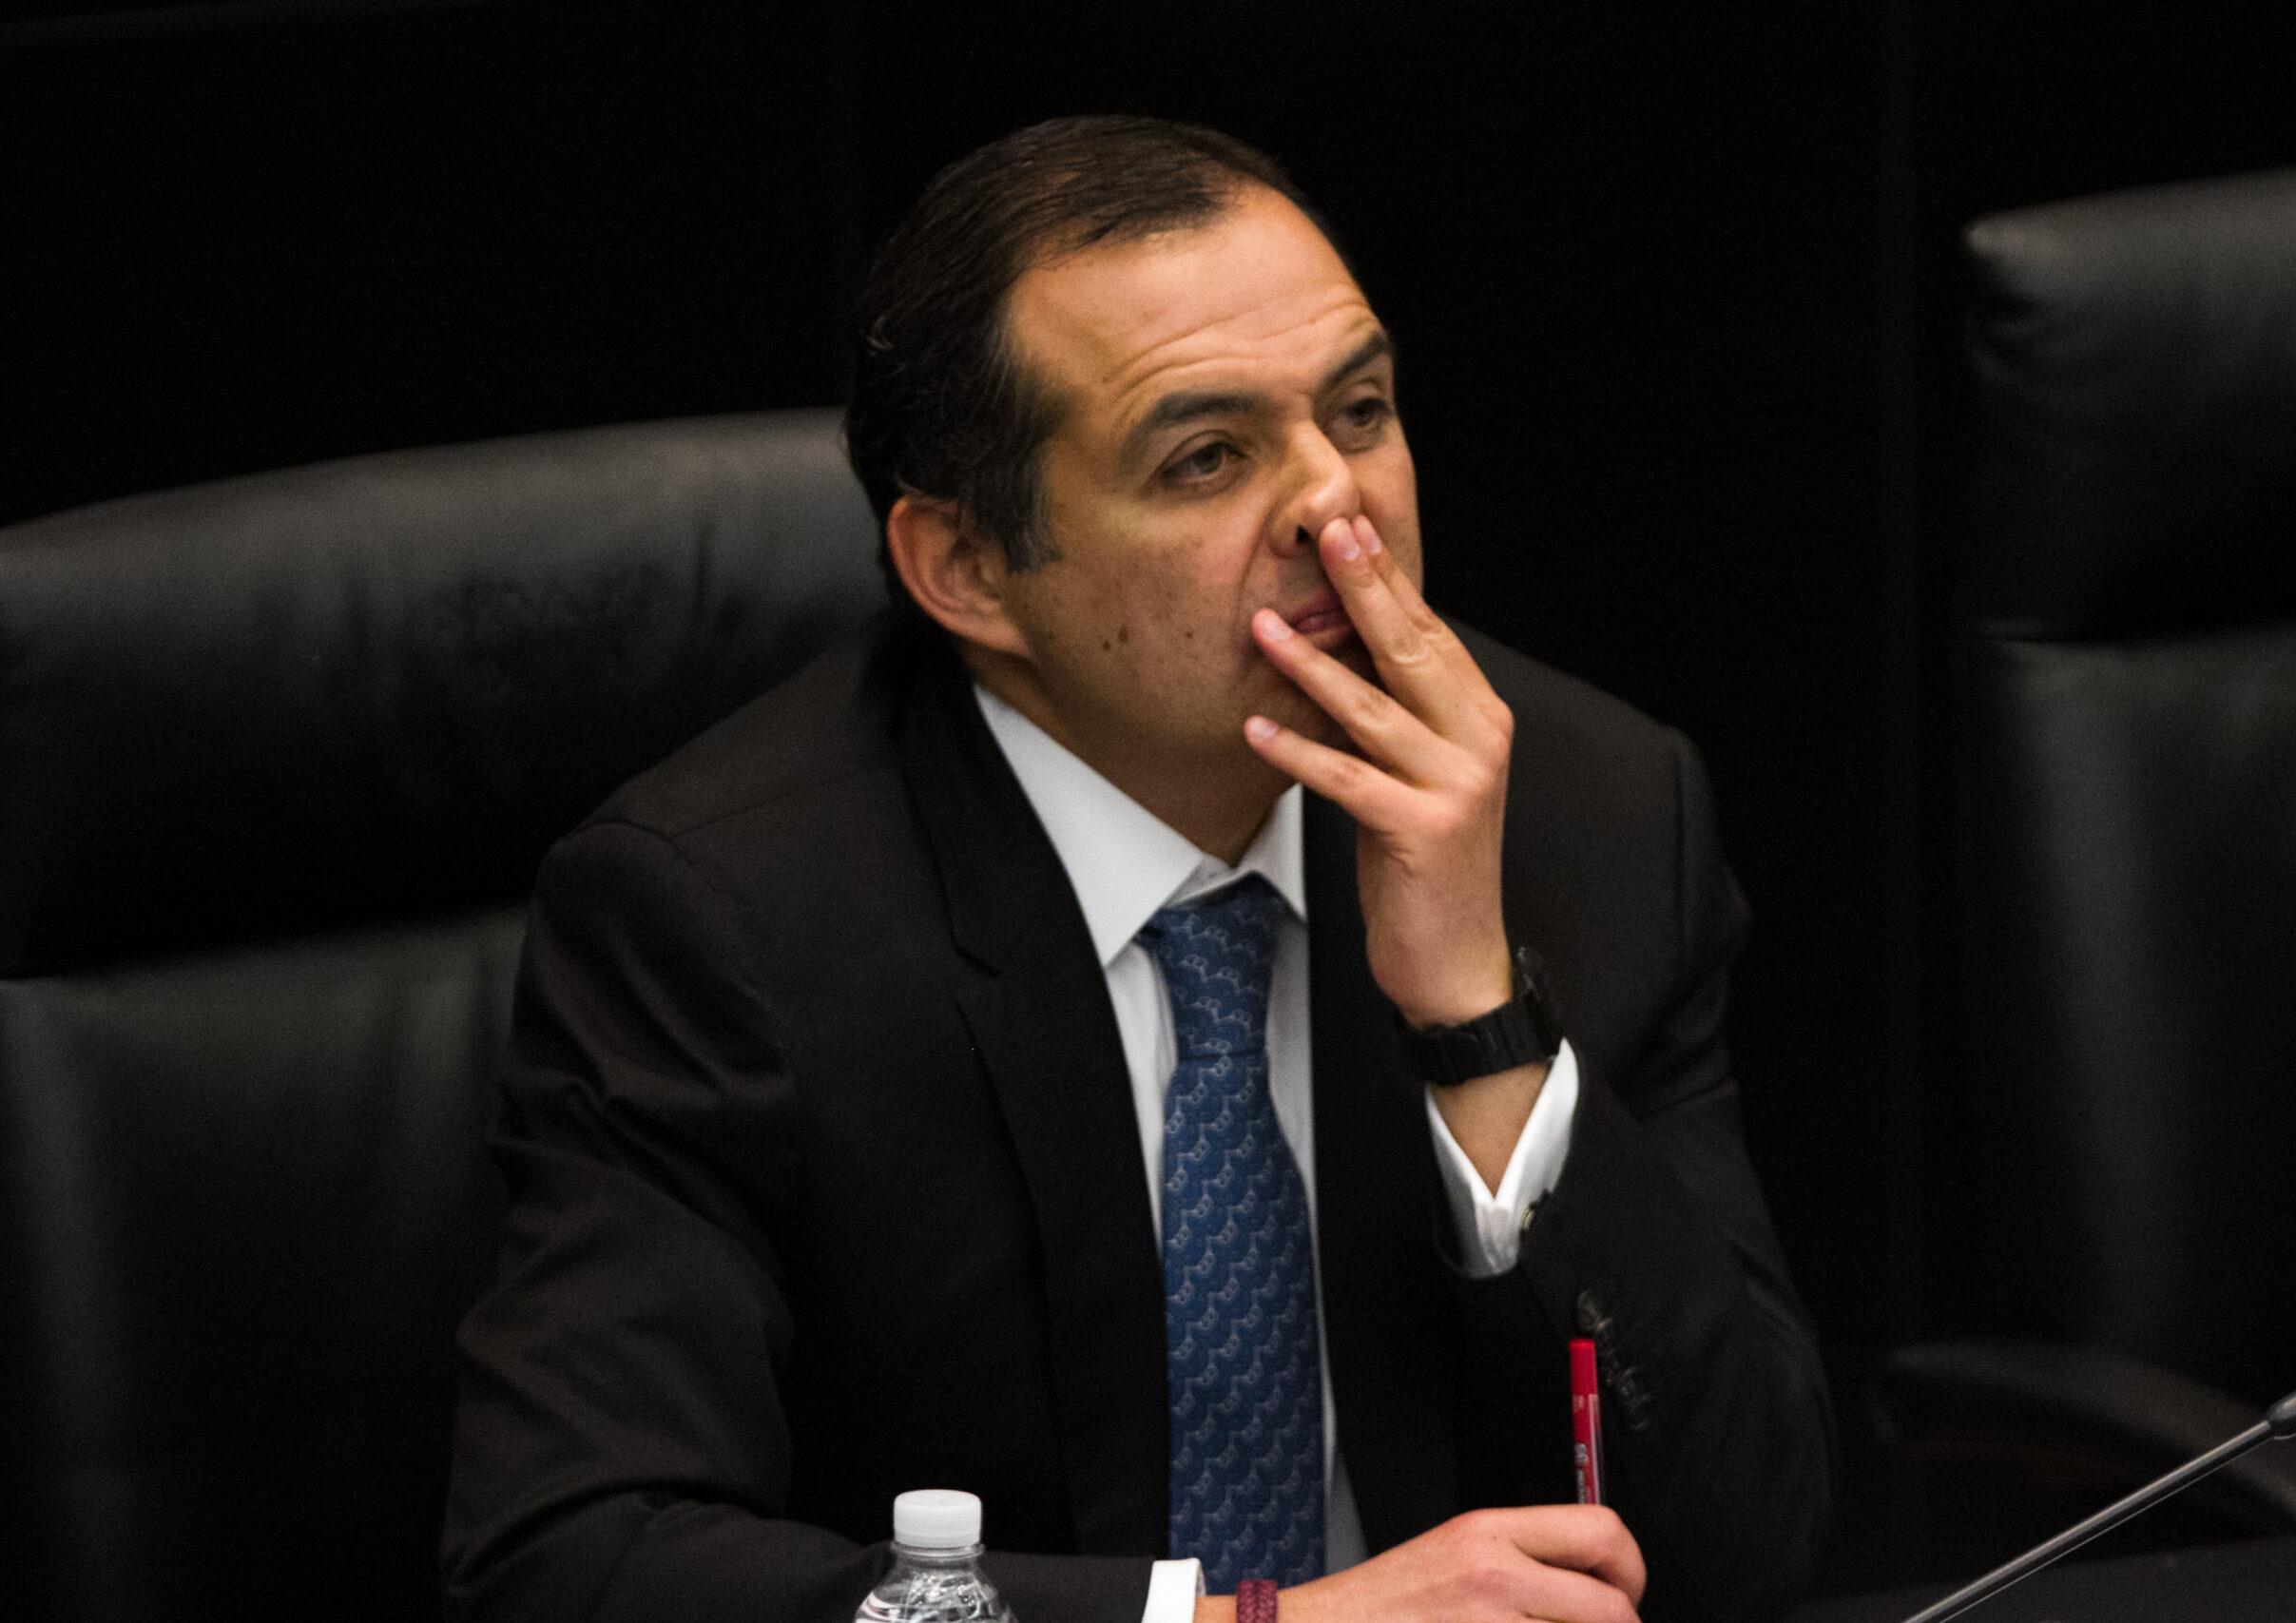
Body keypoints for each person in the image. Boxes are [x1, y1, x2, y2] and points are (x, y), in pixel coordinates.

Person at [444, 115, 1833, 1623]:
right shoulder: (724, 921)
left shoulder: (1585, 811)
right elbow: (572, 1564)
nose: (1336, 504)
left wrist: (1478, 1020)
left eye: (1360, 410)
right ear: (969, 570)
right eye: (1207, 457)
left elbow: (1749, 1552)